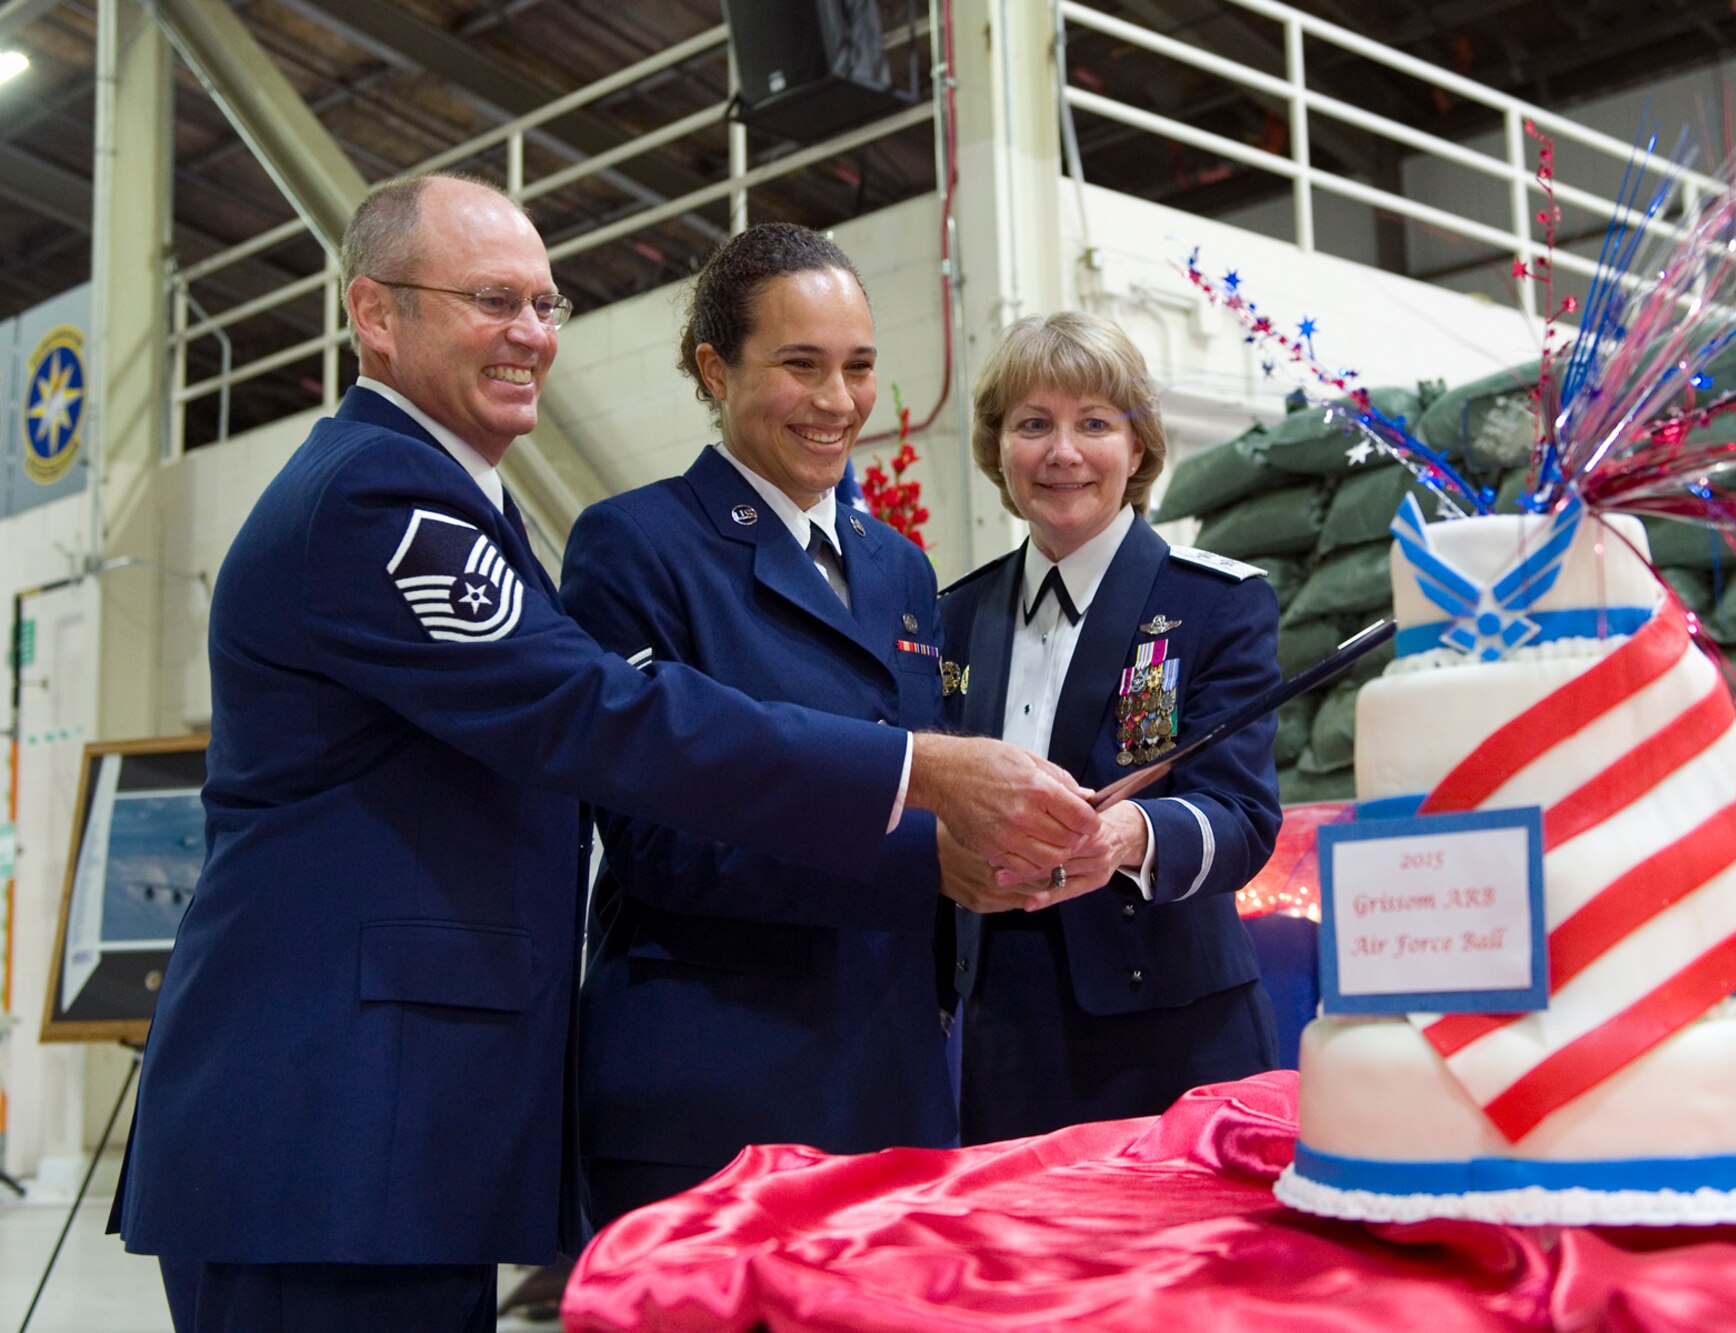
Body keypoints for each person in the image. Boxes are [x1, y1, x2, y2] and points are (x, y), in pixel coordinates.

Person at [111, 174, 1095, 1333]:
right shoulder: (381, 499)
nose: (530, 332)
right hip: (333, 1120)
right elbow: (601, 715)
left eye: (544, 302)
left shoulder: (449, 498)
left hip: (400, 1126)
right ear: (376, 313)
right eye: (490, 299)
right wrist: (916, 776)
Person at [560, 223, 996, 1222]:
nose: (837, 402)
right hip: (714, 1081)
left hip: (889, 1080)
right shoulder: (634, 548)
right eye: (800, 366)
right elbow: (655, 838)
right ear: (715, 368)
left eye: (857, 367)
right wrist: (928, 856)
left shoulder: (899, 570)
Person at [938, 311, 1284, 1144]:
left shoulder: (1216, 602)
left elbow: (1244, 819)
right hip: (1005, 1038)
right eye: (1033, 424)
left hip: (1174, 1033)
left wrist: (1129, 832)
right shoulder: (954, 614)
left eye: (1094, 422)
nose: (1063, 452)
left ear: (1139, 450)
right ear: (998, 449)